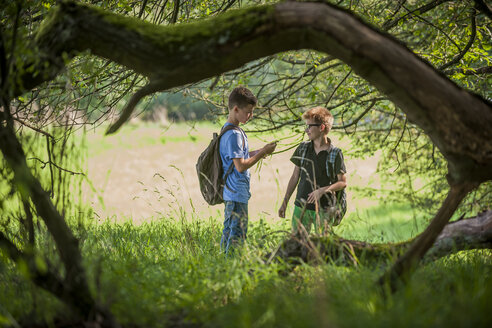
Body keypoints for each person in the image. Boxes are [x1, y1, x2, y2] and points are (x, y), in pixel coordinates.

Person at [219, 86, 277, 253]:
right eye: (248, 111)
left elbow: (239, 156)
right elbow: (240, 166)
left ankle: (223, 264)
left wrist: (259, 151)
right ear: (236, 109)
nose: (251, 115)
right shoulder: (234, 135)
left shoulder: (229, 129)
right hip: (236, 193)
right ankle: (232, 268)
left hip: (232, 192)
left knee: (229, 232)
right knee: (238, 235)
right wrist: (263, 153)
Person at [278, 106, 347, 234]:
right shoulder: (303, 148)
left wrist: (322, 191)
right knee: (298, 245)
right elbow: (294, 177)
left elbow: (342, 182)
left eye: (309, 126)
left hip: (324, 209)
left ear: (321, 128)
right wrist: (285, 202)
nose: (306, 130)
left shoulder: (335, 153)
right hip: (301, 207)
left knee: (323, 247)